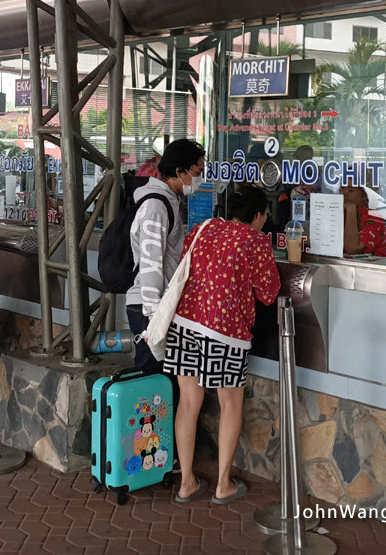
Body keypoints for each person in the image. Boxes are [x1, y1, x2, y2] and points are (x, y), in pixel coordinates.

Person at [167, 186, 280, 505]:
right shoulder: (254, 240)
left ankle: (187, 482)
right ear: (258, 215)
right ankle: (223, 485)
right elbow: (269, 293)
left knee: (188, 402)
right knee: (230, 403)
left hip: (185, 325)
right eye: (264, 217)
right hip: (224, 332)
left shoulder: (202, 229)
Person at [125, 139, 205, 372]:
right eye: (196, 172)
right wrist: (154, 319)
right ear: (179, 171)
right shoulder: (156, 207)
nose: (199, 180)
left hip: (158, 307)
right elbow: (151, 265)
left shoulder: (169, 202)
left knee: (162, 389)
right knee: (152, 390)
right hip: (149, 308)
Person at [341, 184, 386, 257]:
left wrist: (351, 208)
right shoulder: (338, 214)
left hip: (368, 266)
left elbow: (353, 249)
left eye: (351, 190)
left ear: (363, 196)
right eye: (342, 188)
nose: (344, 193)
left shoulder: (374, 217)